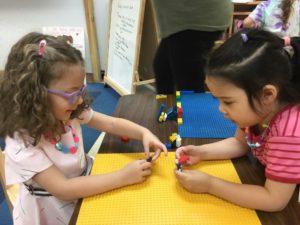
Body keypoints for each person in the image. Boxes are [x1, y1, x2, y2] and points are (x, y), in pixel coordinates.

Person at [0, 32, 167, 225]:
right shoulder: (23, 142)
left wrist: (144, 133)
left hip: (84, 188)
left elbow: (111, 123)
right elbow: (63, 188)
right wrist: (123, 176)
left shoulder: (70, 110)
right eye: (71, 93)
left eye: (81, 91)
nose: (79, 100)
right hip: (52, 211)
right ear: (37, 94)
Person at [174, 28, 300, 212]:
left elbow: (273, 200)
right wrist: (201, 152)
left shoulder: (289, 133)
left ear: (267, 95)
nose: (220, 109)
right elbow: (239, 143)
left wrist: (210, 185)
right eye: (217, 99)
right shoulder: (258, 111)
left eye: (228, 102)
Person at [151, 0, 232, 94]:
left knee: (187, 87)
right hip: (183, 21)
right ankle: (167, 107)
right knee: (163, 71)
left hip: (193, 21)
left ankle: (189, 107)